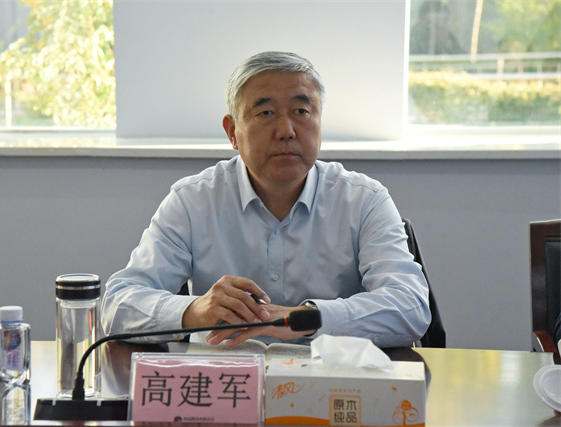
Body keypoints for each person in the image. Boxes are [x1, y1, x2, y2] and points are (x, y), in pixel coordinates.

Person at [100, 51, 431, 348]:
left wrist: (303, 319)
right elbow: (117, 306)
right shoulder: (193, 201)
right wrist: (193, 310)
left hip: (332, 383)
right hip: (226, 383)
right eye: (266, 113)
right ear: (232, 132)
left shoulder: (364, 200)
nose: (286, 130)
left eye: (301, 111)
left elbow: (411, 307)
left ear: (320, 122)